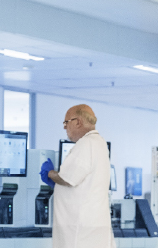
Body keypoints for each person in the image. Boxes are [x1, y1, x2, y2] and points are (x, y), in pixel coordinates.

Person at [39, 104, 114, 248]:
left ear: (78, 122)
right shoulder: (100, 143)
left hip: (80, 232)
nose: (64, 127)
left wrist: (49, 173)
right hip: (94, 228)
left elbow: (67, 179)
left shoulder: (85, 144)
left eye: (66, 122)